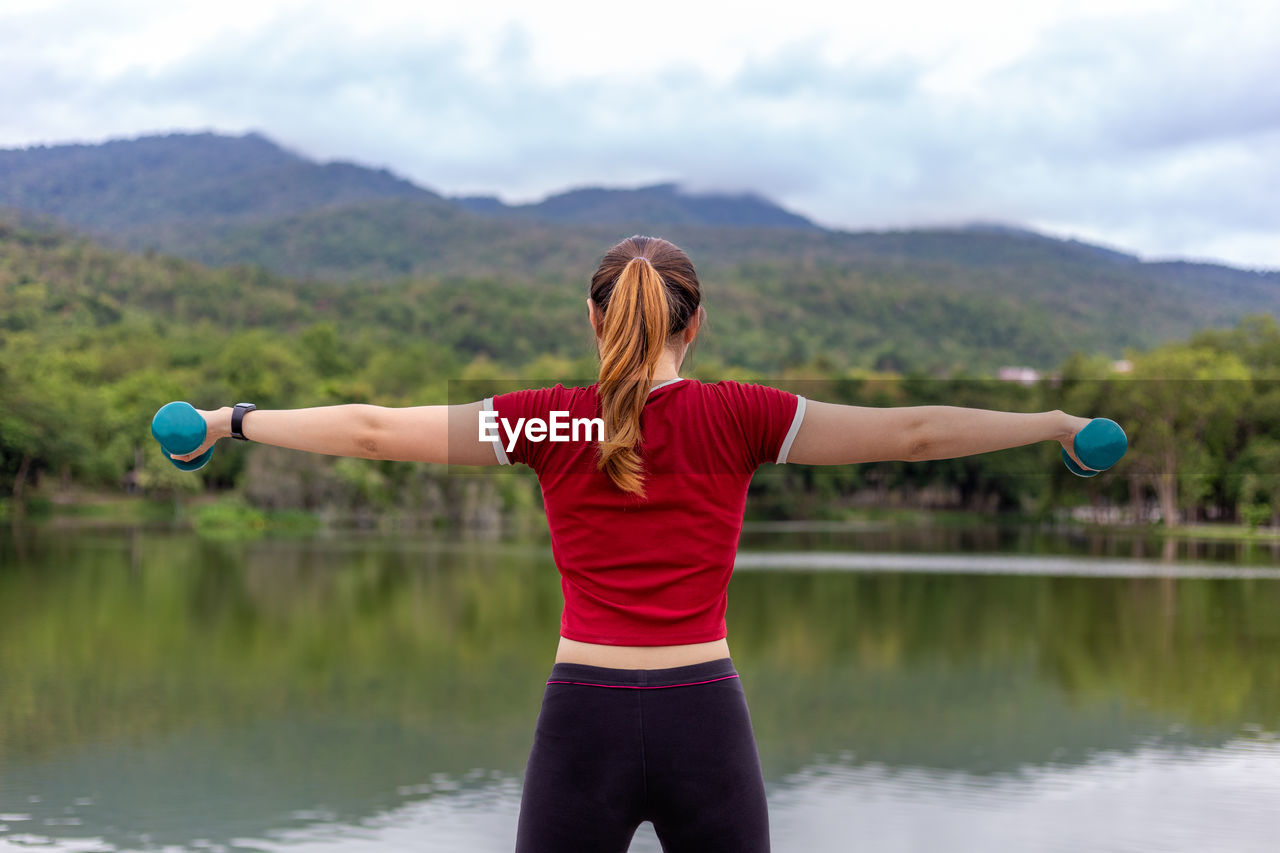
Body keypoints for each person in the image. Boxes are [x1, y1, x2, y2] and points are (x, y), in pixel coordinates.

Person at [172, 234, 1094, 852]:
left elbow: (373, 430)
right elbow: (913, 435)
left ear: (592, 317)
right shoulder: (743, 417)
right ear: (695, 324)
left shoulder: (551, 424)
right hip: (705, 713)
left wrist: (232, 421)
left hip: (584, 718)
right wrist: (1053, 422)